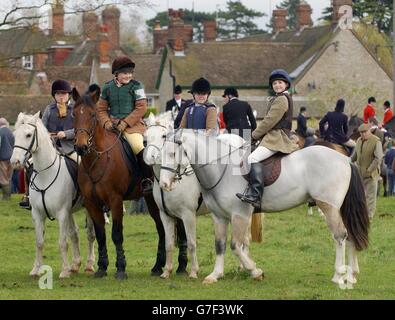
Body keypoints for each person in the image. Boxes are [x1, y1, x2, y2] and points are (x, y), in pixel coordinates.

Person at [236, 69, 299, 208]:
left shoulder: (282, 99)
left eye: (280, 82)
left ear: (286, 84)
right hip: (274, 135)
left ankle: (255, 195)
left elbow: (269, 121)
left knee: (252, 158)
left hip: (276, 137)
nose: (277, 85)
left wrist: (253, 135)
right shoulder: (280, 98)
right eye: (275, 83)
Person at [97, 56, 153, 193]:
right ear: (116, 74)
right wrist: (106, 122)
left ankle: (147, 179)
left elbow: (141, 108)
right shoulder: (107, 87)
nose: (128, 75)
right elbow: (101, 109)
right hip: (112, 127)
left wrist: (126, 123)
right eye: (125, 73)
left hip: (133, 127)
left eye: (130, 73)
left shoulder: (137, 86)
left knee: (137, 146)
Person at [19, 79, 77, 209]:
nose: (61, 96)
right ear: (54, 96)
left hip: (69, 148)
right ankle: (28, 196)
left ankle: (86, 195)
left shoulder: (75, 109)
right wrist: (47, 135)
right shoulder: (49, 109)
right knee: (28, 164)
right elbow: (41, 127)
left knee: (82, 166)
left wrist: (66, 134)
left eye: (63, 93)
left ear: (68, 95)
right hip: (51, 149)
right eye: (58, 94)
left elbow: (79, 129)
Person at [351, 123, 383, 220]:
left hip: (371, 174)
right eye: (361, 132)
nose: (363, 134)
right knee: (360, 196)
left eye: (365, 132)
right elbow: (355, 155)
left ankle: (369, 217)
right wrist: (348, 161)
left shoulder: (376, 141)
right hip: (360, 174)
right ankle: (360, 214)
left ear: (369, 130)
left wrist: (370, 170)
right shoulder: (359, 141)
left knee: (370, 197)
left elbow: (378, 158)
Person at [0, 117, 14, 200]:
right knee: (9, 178)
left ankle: (6, 197)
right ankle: (8, 196)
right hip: (11, 158)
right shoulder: (11, 132)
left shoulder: (0, 132)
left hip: (2, 158)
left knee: (3, 178)